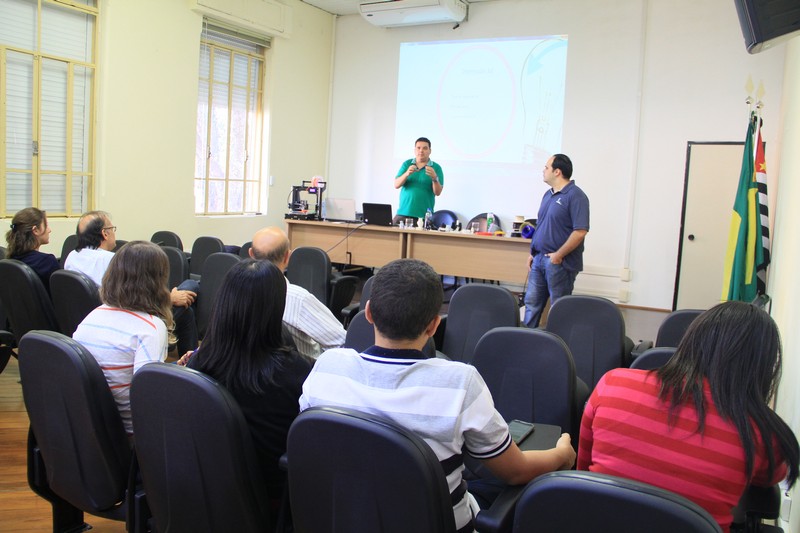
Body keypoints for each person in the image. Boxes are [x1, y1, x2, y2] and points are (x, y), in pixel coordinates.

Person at [300, 258, 576, 532]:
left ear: (368, 312)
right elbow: (516, 472)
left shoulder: (327, 368)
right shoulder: (459, 383)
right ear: (433, 326)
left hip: (345, 521)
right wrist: (561, 455)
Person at [577, 301, 799, 531]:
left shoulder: (613, 384)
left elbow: (583, 474)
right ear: (760, 367)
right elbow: (768, 480)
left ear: (692, 340)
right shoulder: (760, 434)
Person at [180, 259, 314, 518]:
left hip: (208, 494)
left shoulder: (199, 361)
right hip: (272, 500)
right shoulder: (296, 371)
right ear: (277, 307)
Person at [73, 241, 174, 436]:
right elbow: (147, 398)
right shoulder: (151, 328)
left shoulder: (92, 316)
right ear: (158, 281)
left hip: (93, 427)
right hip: (130, 433)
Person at [66, 210, 199, 354]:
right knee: (189, 299)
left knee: (188, 291)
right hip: (125, 320)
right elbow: (136, 297)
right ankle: (191, 364)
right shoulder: (112, 261)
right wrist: (170, 298)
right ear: (105, 233)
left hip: (93, 320)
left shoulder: (72, 257)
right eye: (112, 229)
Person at [249, 226, 346, 359]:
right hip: (300, 374)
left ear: (250, 254)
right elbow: (342, 342)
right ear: (287, 257)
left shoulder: (235, 290)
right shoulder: (297, 299)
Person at [523, 153, 589, 328]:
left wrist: (558, 255)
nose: (543, 170)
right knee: (531, 304)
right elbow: (543, 225)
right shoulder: (548, 194)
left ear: (557, 172)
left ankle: (557, 345)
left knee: (559, 307)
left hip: (560, 263)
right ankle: (525, 339)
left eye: (546, 167)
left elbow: (580, 231)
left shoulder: (576, 196)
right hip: (539, 259)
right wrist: (533, 252)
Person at [5, 207, 59, 292]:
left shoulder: (10, 259)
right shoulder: (47, 262)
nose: (49, 230)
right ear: (35, 230)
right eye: (46, 225)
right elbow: (63, 296)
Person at [393, 137, 444, 225]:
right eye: (418, 148)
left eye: (425, 148)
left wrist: (434, 178)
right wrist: (406, 174)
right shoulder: (407, 164)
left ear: (430, 151)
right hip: (403, 213)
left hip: (423, 216)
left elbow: (438, 192)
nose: (421, 151)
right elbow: (396, 185)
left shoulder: (436, 167)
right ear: (415, 150)